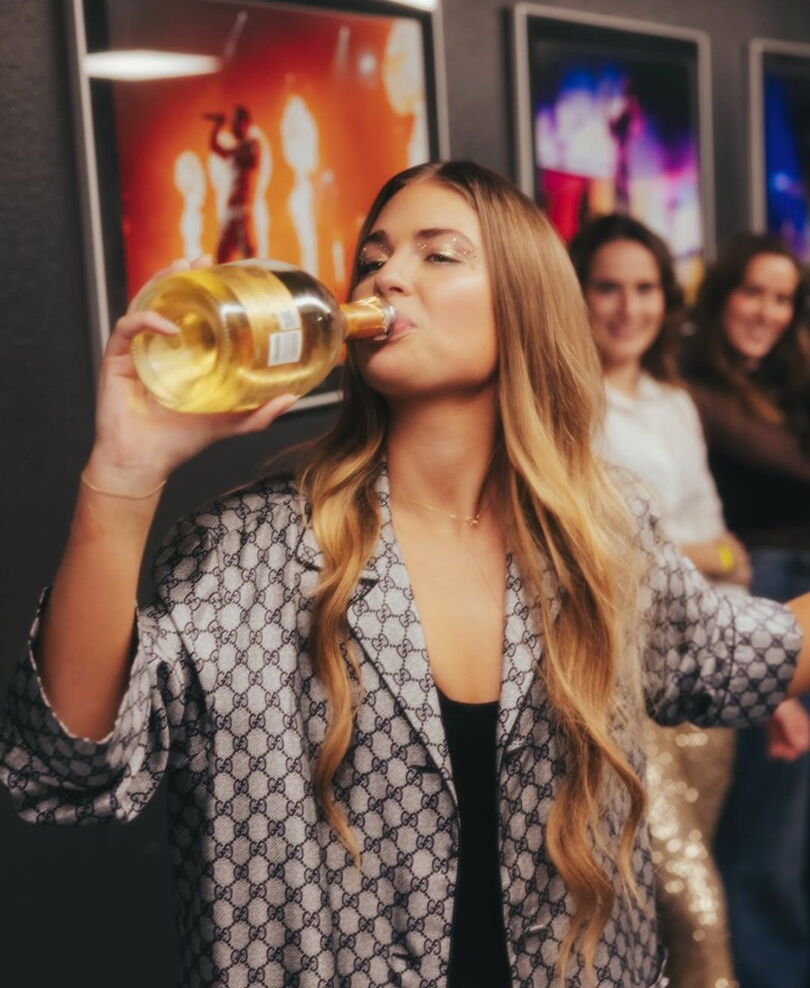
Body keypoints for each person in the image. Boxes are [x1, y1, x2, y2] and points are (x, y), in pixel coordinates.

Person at [2, 162, 809, 988]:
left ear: (525, 300)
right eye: (374, 257)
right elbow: (69, 771)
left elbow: (737, 653)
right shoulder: (247, 549)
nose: (385, 277)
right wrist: (123, 476)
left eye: (438, 254)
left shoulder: (602, 531)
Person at [570, 213, 753, 988]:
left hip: (706, 690)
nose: (628, 307)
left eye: (645, 288)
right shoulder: (565, 405)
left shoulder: (674, 401)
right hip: (622, 689)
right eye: (607, 287)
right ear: (574, 294)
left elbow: (721, 553)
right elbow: (602, 547)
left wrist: (761, 680)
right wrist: (707, 553)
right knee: (690, 907)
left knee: (669, 903)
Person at [685, 233, 810, 988]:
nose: (767, 312)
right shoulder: (692, 388)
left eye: (783, 298)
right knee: (768, 827)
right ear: (722, 294)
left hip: (789, 582)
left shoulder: (784, 382)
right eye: (752, 292)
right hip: (756, 592)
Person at [205, 105, 261, 262]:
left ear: (246, 123)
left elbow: (251, 160)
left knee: (248, 255)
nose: (233, 125)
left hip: (242, 210)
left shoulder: (252, 145)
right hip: (229, 212)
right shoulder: (235, 150)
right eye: (233, 122)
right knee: (221, 257)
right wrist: (217, 126)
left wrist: (234, 152)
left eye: (237, 121)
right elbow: (215, 147)